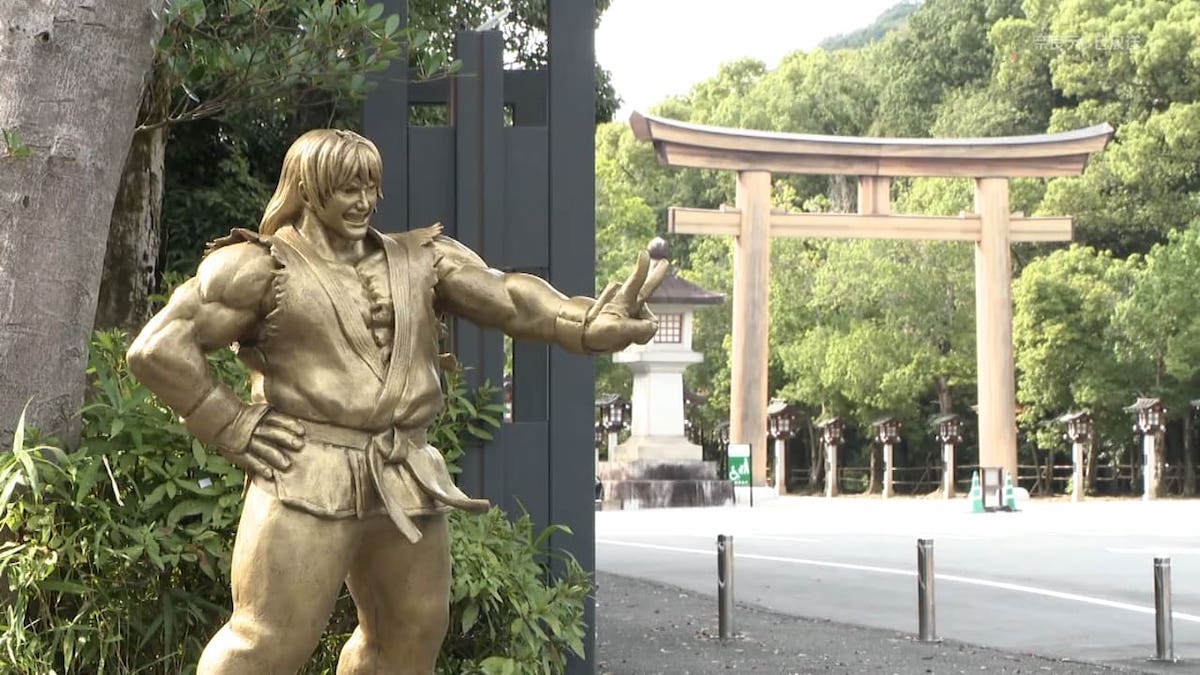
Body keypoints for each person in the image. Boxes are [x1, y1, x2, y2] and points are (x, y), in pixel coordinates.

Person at [128, 128, 665, 674]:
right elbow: (158, 347)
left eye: (371, 188)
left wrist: (583, 322)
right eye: (347, 190)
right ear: (308, 190)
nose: (364, 203)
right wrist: (231, 422)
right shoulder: (257, 266)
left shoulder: (422, 259)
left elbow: (508, 297)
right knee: (266, 643)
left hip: (404, 472)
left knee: (409, 639)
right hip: (304, 469)